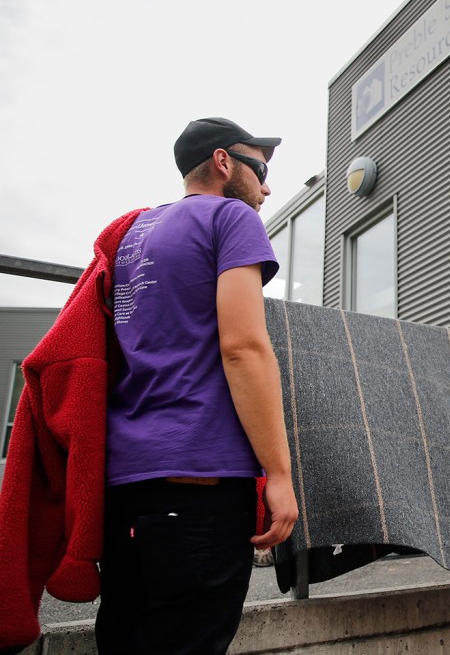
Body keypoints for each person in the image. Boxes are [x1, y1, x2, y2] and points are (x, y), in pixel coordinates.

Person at [94, 117, 299, 654]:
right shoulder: (231, 218)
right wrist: (278, 473)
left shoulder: (134, 234)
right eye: (261, 169)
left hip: (125, 483)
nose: (267, 187)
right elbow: (244, 347)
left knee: (125, 639)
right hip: (198, 484)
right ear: (224, 163)